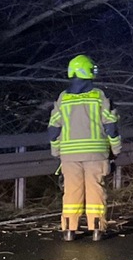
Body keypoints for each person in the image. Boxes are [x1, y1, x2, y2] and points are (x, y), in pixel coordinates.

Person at [47, 54, 122, 241]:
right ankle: (96, 229)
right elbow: (110, 126)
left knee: (71, 191)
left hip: (69, 156)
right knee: (95, 189)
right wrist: (116, 148)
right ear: (87, 71)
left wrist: (56, 151)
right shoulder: (99, 96)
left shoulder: (63, 98)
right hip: (96, 154)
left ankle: (69, 230)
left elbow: (53, 128)